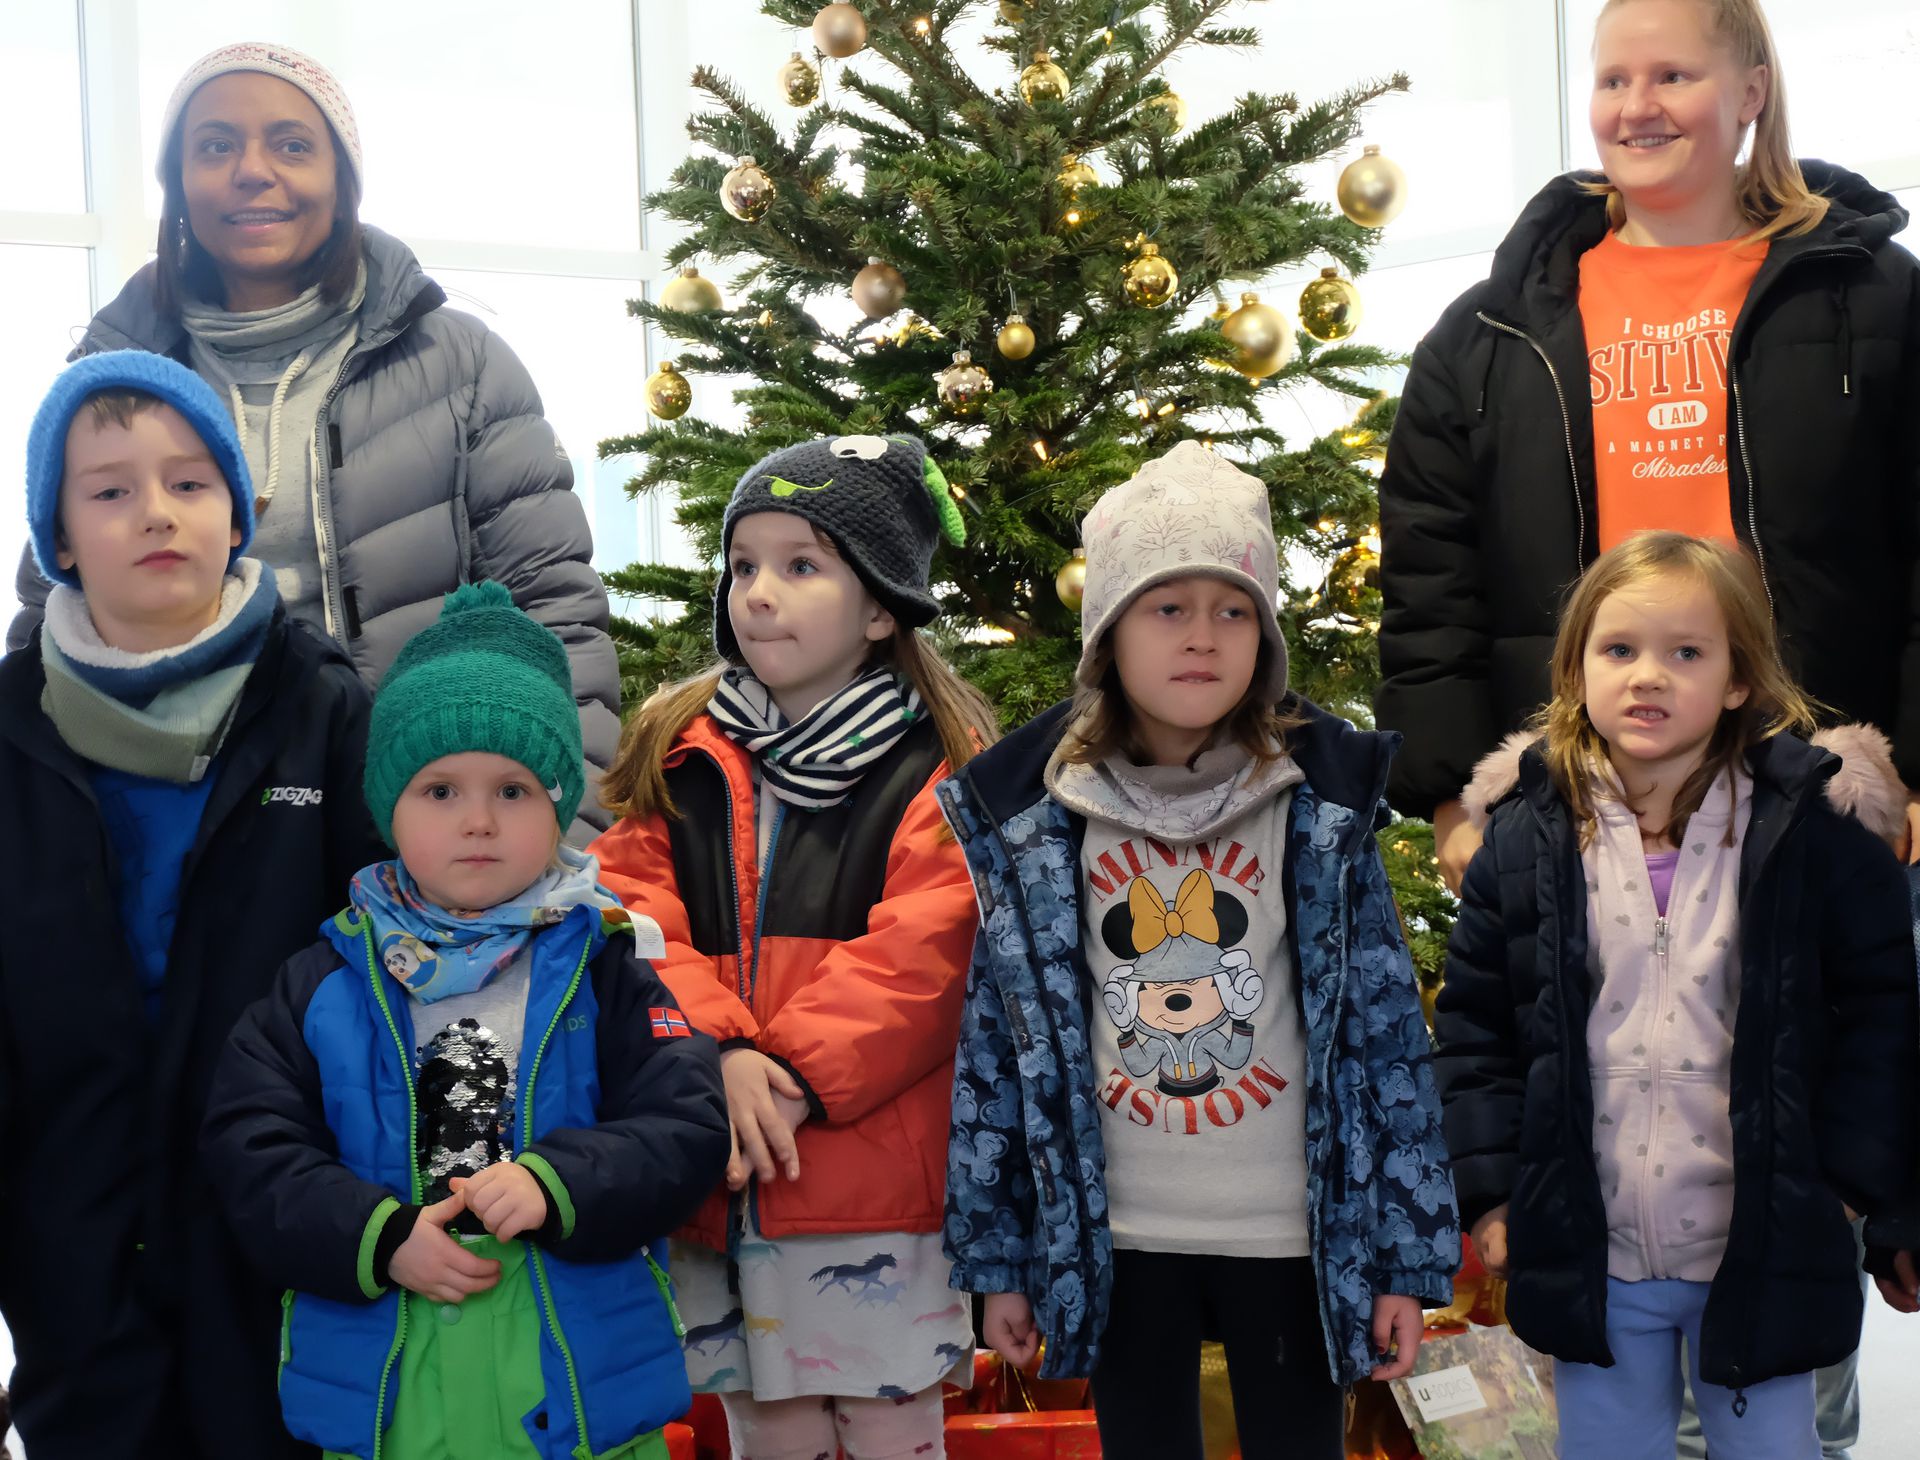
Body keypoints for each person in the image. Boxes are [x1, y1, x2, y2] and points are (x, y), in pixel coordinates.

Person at [941, 440, 1459, 1460]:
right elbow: (997, 1053)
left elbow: (1391, 1046)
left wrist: (1405, 1258)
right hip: (1121, 1240)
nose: (1202, 637)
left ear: (1264, 639)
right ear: (1108, 638)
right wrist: (999, 1258)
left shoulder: (1319, 813)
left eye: (1232, 609)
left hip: (1288, 1239)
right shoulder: (1043, 823)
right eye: (1166, 607)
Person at [7, 41, 620, 833]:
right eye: (215, 146)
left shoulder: (461, 364)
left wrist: (564, 835)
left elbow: (553, 616)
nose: (252, 170)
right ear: (179, 185)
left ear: (342, 181)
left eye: (292, 145)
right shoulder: (112, 376)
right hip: (173, 824)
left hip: (430, 824)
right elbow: (50, 618)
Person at [1377, 0, 1920, 892]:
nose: (1637, 107)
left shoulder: (1874, 297)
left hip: (1831, 803)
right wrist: (1453, 801)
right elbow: (1432, 584)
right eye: (1613, 81)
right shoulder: (1486, 334)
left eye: (1672, 75)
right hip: (1577, 817)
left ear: (1750, 92)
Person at [201, 581, 730, 1460]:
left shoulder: (607, 971)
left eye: (514, 791)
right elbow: (251, 1149)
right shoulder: (320, 982)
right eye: (440, 789)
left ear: (558, 806)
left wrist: (561, 1183)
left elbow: (685, 1126)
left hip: (576, 1386)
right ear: (388, 808)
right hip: (392, 1392)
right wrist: (377, 1235)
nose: (478, 821)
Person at [1434, 532, 1919, 1460]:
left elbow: (1881, 1023)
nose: (1648, 676)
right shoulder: (1527, 844)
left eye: (1685, 652)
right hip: (1595, 1252)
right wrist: (1494, 1196)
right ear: (1576, 671)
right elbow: (1475, 1032)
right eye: (1619, 650)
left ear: (1739, 679)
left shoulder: (1813, 842)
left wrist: (1851, 1190)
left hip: (1759, 1254)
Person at [0, 350, 385, 1458]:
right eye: (110, 489)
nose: (155, 512)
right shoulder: (9, 727)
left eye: (189, 481)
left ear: (235, 511)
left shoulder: (324, 711)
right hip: (72, 1221)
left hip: (280, 1218)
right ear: (60, 535)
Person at [589, 434, 997, 1460]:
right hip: (724, 1176)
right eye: (745, 565)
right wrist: (716, 1051)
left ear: (878, 607)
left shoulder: (938, 772)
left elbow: (928, 953)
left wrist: (789, 1071)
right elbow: (630, 919)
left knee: (889, 1421)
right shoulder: (681, 755)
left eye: (801, 565)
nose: (759, 590)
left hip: (875, 1189)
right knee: (765, 1425)